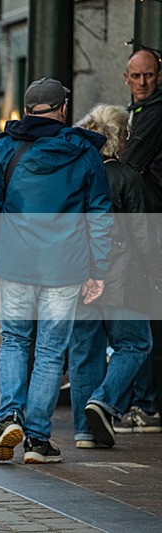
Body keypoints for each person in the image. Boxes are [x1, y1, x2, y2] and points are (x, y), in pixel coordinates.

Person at [0, 78, 112, 464]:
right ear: (63, 109)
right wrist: (98, 269)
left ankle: (9, 417)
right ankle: (36, 439)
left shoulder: (5, 147)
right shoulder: (84, 152)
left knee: (14, 340)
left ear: (28, 110)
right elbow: (99, 215)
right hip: (66, 265)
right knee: (51, 352)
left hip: (15, 261)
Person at [67, 104, 159, 448]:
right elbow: (143, 235)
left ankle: (84, 430)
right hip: (121, 277)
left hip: (77, 273)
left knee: (84, 350)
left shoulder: (74, 174)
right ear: (120, 137)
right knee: (135, 343)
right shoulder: (126, 176)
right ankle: (104, 401)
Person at [117, 49, 162, 433]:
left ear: (159, 77)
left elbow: (128, 158)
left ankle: (146, 406)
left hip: (152, 224)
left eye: (149, 76)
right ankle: (141, 402)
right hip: (142, 224)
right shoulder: (135, 112)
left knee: (146, 313)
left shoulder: (155, 112)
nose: (144, 83)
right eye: (137, 76)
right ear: (126, 78)